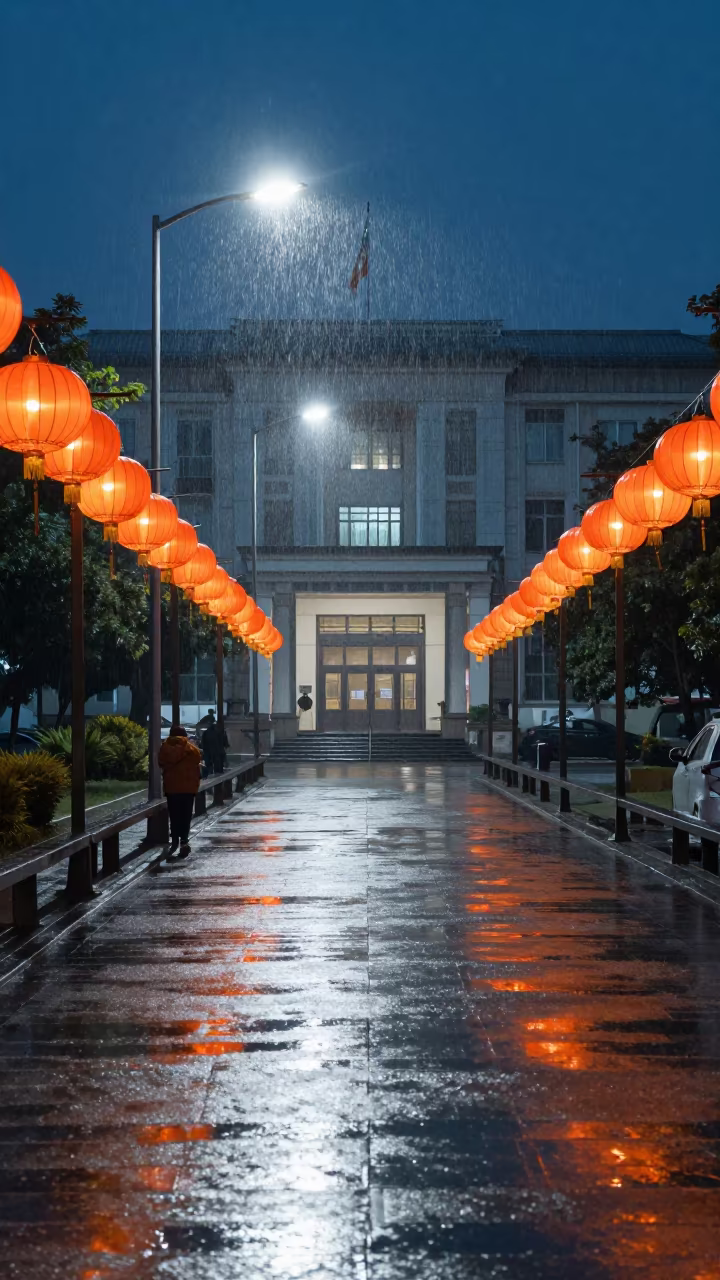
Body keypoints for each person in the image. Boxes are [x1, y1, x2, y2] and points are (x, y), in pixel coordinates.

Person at [158, 725, 203, 856]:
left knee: (174, 814)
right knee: (186, 815)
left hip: (172, 787)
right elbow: (197, 760)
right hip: (188, 788)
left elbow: (160, 762)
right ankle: (184, 840)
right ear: (184, 735)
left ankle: (174, 840)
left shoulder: (164, 748)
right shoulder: (191, 749)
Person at [201, 708, 229, 775]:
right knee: (218, 767)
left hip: (210, 750)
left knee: (210, 765)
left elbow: (203, 743)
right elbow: (223, 740)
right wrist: (226, 745)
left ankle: (210, 773)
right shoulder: (219, 731)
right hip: (217, 751)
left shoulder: (207, 732)